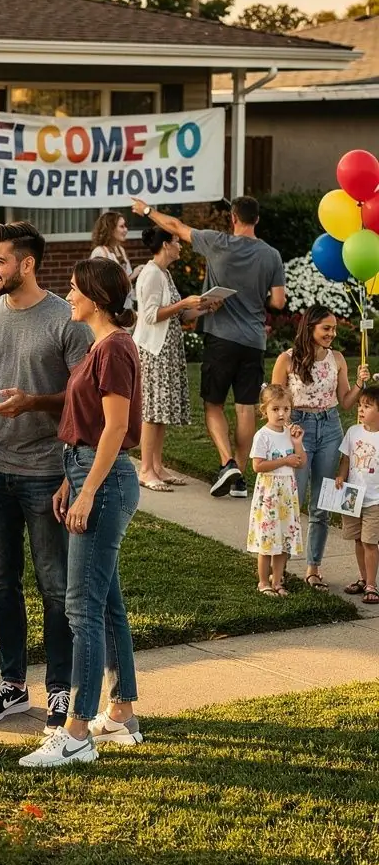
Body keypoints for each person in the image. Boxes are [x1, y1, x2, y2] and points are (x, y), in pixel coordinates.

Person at [0, 221, 91, 731]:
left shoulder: (65, 320)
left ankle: (59, 690)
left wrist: (34, 404)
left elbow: (82, 397)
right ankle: (13, 685)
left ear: (26, 264)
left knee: (55, 585)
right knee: (1, 583)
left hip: (44, 472)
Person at [19, 259, 142, 769]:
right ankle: (122, 714)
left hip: (106, 481)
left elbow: (114, 429)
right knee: (106, 603)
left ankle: (75, 732)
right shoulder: (103, 345)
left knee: (81, 608)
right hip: (91, 472)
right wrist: (73, 480)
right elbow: (90, 426)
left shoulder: (112, 348)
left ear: (95, 295)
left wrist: (87, 490)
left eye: (72, 289)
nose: (66, 295)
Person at [132, 195, 286, 500]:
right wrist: (258, 300)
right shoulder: (271, 255)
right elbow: (278, 302)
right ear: (257, 220)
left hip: (221, 338)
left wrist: (146, 210)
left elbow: (176, 225)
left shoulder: (218, 243)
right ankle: (240, 476)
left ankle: (226, 462)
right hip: (254, 341)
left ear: (233, 218)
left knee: (214, 404)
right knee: (245, 408)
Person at [272, 305, 369, 589]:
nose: (331, 334)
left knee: (323, 504)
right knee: (293, 500)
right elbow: (275, 401)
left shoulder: (337, 359)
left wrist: (360, 384)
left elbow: (346, 401)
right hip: (298, 429)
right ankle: (282, 566)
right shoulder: (287, 360)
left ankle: (314, 567)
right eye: (326, 328)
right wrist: (288, 429)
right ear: (310, 327)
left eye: (334, 329)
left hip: (329, 427)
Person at [134, 226, 205, 490]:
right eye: (176, 242)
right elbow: (151, 315)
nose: (180, 246)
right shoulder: (151, 273)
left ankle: (158, 466)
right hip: (154, 351)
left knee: (160, 411)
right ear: (165, 244)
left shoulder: (164, 274)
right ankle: (145, 470)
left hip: (167, 350)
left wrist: (202, 307)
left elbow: (179, 315)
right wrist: (184, 303)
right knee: (152, 412)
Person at [246, 384, 305, 598]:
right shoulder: (263, 436)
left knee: (283, 541)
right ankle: (263, 582)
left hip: (287, 494)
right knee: (268, 540)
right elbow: (257, 466)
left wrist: (297, 443)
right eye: (276, 409)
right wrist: (283, 460)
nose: (281, 414)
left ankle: (278, 581)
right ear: (265, 411)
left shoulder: (291, 433)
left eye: (286, 409)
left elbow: (301, 461)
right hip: (269, 494)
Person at [336, 381, 379, 605]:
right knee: (358, 541)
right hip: (353, 496)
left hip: (375, 500)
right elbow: (346, 459)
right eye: (360, 405)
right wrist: (341, 476)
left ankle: (372, 585)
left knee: (370, 542)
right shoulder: (353, 432)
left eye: (368, 406)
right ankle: (363, 579)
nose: (361, 410)